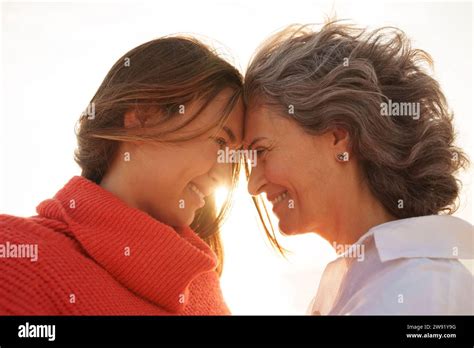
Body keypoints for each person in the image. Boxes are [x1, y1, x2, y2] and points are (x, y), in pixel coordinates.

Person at [0, 35, 244, 315]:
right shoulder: (14, 256)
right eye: (222, 143)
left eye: (235, 156)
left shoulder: (204, 288)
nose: (224, 174)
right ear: (143, 117)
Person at [243, 21, 473, 315]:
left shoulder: (419, 292)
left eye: (261, 151)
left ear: (339, 136)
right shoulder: (367, 282)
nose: (253, 184)